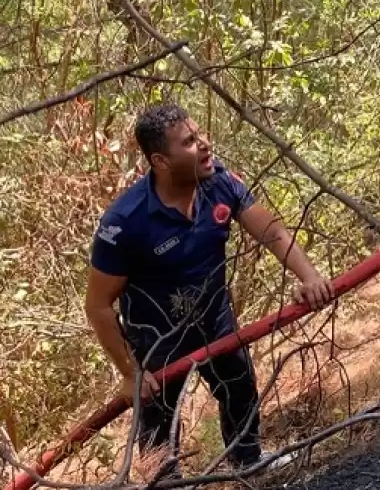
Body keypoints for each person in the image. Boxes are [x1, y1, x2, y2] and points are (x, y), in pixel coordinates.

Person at [85, 103, 335, 473]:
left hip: (215, 320)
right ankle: (165, 483)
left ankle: (249, 467)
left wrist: (309, 276)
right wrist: (129, 371)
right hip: (157, 340)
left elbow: (272, 231)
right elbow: (98, 306)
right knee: (159, 423)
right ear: (161, 160)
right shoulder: (124, 222)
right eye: (189, 142)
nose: (204, 145)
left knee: (239, 387)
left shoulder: (220, 182)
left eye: (200, 134)